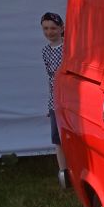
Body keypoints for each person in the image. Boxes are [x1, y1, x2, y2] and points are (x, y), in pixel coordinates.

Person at [40, 12, 68, 183]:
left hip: (69, 99)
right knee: (57, 138)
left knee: (71, 136)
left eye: (53, 28)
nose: (49, 32)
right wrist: (50, 104)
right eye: (45, 28)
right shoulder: (45, 51)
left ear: (61, 28)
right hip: (54, 101)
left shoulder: (69, 49)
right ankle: (64, 171)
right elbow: (50, 79)